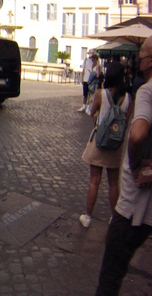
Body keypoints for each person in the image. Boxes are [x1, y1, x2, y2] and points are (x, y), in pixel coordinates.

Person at [95, 35, 152, 295]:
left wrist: (135, 161)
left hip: (134, 209)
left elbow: (138, 133)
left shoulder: (147, 91)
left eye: (141, 56)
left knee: (110, 278)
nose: (138, 60)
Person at [79, 62, 132, 228]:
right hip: (116, 145)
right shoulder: (129, 98)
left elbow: (91, 111)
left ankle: (88, 217)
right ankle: (114, 217)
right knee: (114, 183)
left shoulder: (101, 94)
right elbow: (127, 120)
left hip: (100, 143)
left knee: (94, 180)